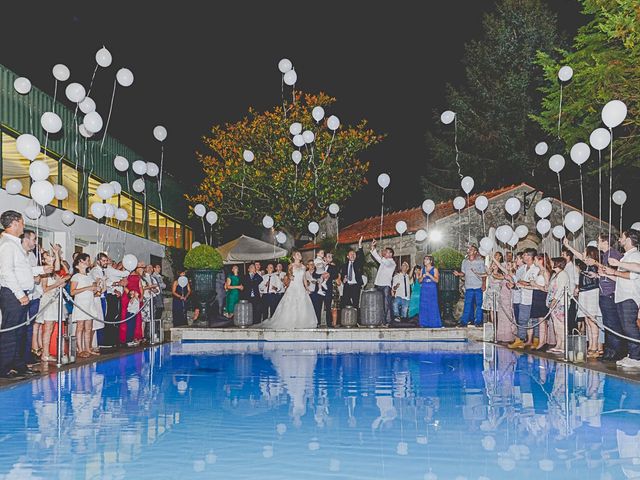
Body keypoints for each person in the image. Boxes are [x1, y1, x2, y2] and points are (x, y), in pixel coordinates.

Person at [0, 211, 52, 378]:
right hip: (13, 295)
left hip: (22, 294)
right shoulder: (7, 245)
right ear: (15, 223)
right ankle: (4, 368)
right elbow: (6, 272)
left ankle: (19, 365)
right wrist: (19, 294)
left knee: (20, 332)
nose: (23, 226)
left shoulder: (15, 245)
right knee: (11, 332)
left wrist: (42, 269)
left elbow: (24, 270)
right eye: (22, 222)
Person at [601, 229, 640, 368]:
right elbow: (620, 278)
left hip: (630, 296)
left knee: (630, 327)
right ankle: (632, 355)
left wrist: (617, 266)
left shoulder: (635, 254)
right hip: (622, 296)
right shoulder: (625, 256)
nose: (619, 240)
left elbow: (634, 272)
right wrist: (610, 273)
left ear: (629, 239)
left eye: (622, 237)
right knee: (625, 327)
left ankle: (636, 358)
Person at [259, 251, 317, 329]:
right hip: (293, 287)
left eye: (300, 254)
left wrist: (307, 288)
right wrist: (290, 277)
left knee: (302, 305)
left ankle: (301, 322)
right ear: (294, 257)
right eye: (297, 254)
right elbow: (288, 276)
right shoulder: (291, 265)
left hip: (301, 288)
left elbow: (304, 278)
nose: (299, 255)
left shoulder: (303, 267)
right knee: (291, 305)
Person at [39, 250, 70, 362]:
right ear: (43, 260)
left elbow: (64, 276)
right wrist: (57, 284)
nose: (50, 257)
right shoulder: (44, 273)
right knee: (47, 328)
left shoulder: (54, 273)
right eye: (48, 256)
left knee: (52, 328)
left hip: (56, 300)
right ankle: (45, 354)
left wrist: (57, 254)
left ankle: (49, 353)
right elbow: (44, 289)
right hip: (48, 300)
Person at [70, 253, 99, 358]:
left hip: (89, 303)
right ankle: (80, 349)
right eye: (86, 260)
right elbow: (72, 292)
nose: (88, 262)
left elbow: (94, 291)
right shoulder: (76, 276)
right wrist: (87, 288)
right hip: (81, 304)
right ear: (80, 262)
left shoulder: (89, 276)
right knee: (80, 327)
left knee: (88, 327)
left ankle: (88, 348)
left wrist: (97, 288)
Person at [509, 248, 539, 349]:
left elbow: (534, 283)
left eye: (526, 255)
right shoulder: (523, 268)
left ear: (530, 257)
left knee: (534, 320)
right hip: (523, 297)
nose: (523, 257)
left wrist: (523, 283)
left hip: (533, 297)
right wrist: (514, 285)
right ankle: (521, 339)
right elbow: (519, 281)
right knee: (522, 320)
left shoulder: (536, 268)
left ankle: (536, 339)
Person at [578, 246, 602, 357]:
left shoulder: (595, 266)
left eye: (584, 251)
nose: (582, 253)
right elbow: (579, 256)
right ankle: (590, 345)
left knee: (592, 320)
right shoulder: (585, 265)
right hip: (584, 291)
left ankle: (595, 347)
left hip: (592, 292)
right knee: (587, 320)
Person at [454, 244, 486, 327]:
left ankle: (478, 321)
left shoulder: (480, 261)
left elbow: (484, 274)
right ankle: (464, 322)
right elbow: (463, 273)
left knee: (479, 304)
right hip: (468, 286)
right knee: (467, 304)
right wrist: (458, 274)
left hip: (478, 286)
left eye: (471, 249)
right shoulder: (464, 262)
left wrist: (484, 284)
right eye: (469, 249)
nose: (469, 250)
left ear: (475, 252)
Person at [370, 239, 397, 326]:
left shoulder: (392, 262)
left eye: (387, 252)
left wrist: (382, 256)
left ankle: (387, 322)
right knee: (379, 304)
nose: (385, 252)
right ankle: (380, 321)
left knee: (386, 304)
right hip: (378, 284)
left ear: (391, 254)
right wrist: (373, 247)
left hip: (386, 285)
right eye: (385, 251)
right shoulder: (384, 261)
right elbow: (378, 258)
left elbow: (384, 261)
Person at [528, 254, 551, 351]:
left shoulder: (545, 272)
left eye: (536, 259)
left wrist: (536, 284)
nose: (535, 261)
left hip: (542, 296)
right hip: (536, 295)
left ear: (541, 260)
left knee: (542, 321)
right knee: (540, 321)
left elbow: (547, 288)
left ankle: (542, 342)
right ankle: (542, 341)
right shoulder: (539, 272)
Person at [547, 257, 569, 355]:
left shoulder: (563, 274)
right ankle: (558, 344)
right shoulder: (555, 275)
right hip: (554, 303)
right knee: (556, 324)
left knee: (561, 324)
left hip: (560, 303)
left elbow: (561, 289)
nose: (551, 264)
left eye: (552, 262)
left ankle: (564, 345)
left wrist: (555, 300)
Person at [121, 263, 145, 346]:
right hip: (128, 297)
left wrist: (141, 296)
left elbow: (140, 287)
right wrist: (131, 295)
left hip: (137, 297)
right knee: (127, 316)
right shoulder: (125, 274)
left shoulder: (137, 276)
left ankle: (135, 337)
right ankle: (127, 338)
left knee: (136, 318)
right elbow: (124, 286)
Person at [418, 255, 442, 328]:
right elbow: (419, 281)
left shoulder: (435, 269)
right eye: (424, 259)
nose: (425, 261)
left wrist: (429, 275)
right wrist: (422, 277)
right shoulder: (422, 269)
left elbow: (436, 280)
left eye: (427, 259)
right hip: (424, 289)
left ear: (431, 261)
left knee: (432, 306)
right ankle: (424, 323)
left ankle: (434, 323)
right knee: (424, 306)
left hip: (432, 290)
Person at [306, 260, 323, 325]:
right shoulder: (305, 273)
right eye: (310, 264)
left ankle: (318, 323)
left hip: (316, 292)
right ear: (307, 266)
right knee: (309, 308)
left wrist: (317, 281)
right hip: (308, 293)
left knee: (317, 308)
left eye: (313, 264)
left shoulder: (318, 273)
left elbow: (321, 280)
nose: (312, 266)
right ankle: (309, 323)